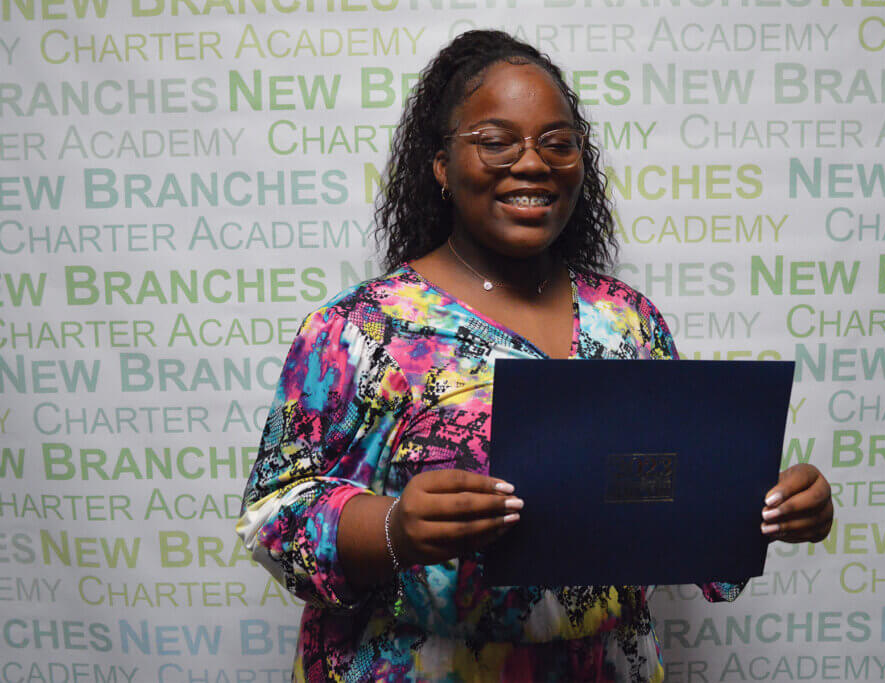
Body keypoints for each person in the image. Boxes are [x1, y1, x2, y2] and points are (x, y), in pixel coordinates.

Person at [236, 30, 833, 682]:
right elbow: (274, 517)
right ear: (439, 163)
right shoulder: (360, 329)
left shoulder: (630, 322)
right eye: (496, 141)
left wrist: (764, 507)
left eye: (557, 143)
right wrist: (394, 529)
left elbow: (674, 507)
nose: (532, 163)